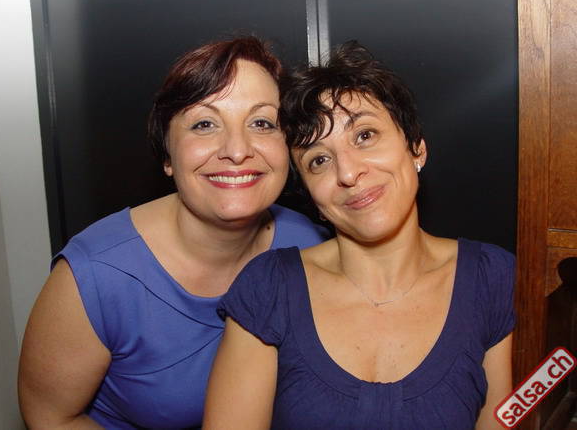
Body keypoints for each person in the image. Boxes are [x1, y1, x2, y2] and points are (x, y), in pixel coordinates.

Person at [18, 37, 328, 429]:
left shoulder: (309, 246)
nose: (237, 150)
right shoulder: (97, 276)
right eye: (204, 124)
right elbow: (50, 417)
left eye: (262, 123)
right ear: (167, 155)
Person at [204, 41, 515, 429]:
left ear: (416, 148)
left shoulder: (491, 278)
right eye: (319, 160)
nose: (348, 173)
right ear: (312, 198)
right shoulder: (269, 288)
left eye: (365, 135)